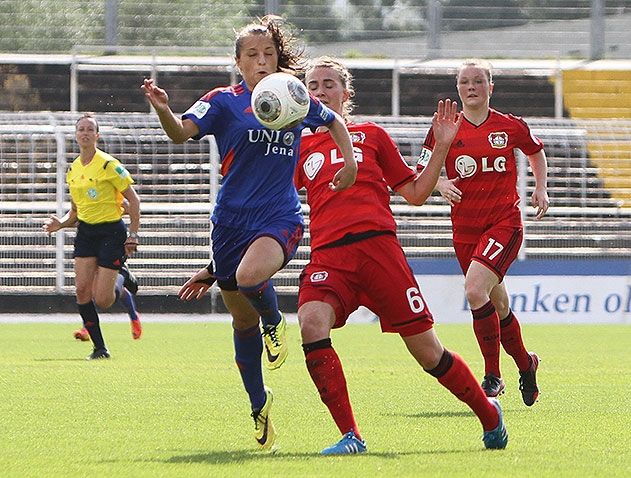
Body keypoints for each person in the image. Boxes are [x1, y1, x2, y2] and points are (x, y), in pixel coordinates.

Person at [147, 16, 357, 451]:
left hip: (278, 217)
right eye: (252, 56)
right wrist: (164, 108)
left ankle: (276, 319)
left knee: (248, 279)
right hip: (229, 225)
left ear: (278, 59)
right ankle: (259, 405)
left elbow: (334, 121)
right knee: (240, 320)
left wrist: (349, 161)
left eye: (269, 55)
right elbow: (180, 133)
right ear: (238, 63)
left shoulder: (294, 97)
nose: (262, 62)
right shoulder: (223, 102)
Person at [289, 56, 508, 455]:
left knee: (428, 352)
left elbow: (416, 194)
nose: (320, 92)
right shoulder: (298, 147)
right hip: (329, 256)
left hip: (379, 252)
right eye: (313, 86)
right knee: (310, 322)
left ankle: (488, 413)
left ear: (345, 93)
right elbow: (277, 199)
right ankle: (350, 435)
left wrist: (442, 145)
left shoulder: (372, 134)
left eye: (329, 84)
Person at [418, 58, 549, 406]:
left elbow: (536, 152)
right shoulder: (445, 127)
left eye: (478, 80)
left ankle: (492, 376)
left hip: (503, 223)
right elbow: (420, 169)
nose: (471, 87)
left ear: (491, 87)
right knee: (498, 303)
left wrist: (540, 188)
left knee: (475, 290)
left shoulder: (509, 126)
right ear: (458, 89)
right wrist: (441, 182)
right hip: (465, 230)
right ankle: (526, 364)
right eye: (464, 82)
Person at [43, 113, 142, 360]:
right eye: (81, 129)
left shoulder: (109, 165)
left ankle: (122, 276)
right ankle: (100, 348)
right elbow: (76, 211)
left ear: (97, 135)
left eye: (90, 129)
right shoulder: (73, 169)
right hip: (86, 232)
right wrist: (61, 224)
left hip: (111, 231)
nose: (85, 133)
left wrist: (133, 234)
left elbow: (134, 200)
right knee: (81, 292)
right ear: (76, 135)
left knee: (103, 300)